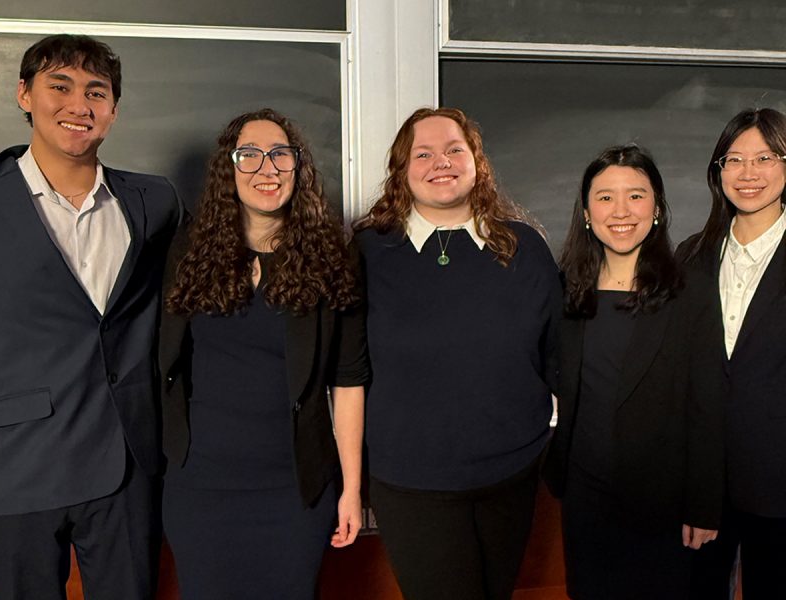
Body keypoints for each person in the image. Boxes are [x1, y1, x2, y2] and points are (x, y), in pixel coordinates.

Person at [0, 34, 181, 600]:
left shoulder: (155, 203)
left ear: (114, 110)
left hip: (128, 464)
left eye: (97, 92)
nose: (80, 105)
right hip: (12, 468)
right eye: (60, 86)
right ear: (24, 94)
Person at [160, 108, 368, 599]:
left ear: (299, 167)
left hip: (293, 491)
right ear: (228, 170)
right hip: (200, 489)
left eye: (280, 155)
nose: (266, 169)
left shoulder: (331, 256)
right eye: (248, 155)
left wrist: (352, 490)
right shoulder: (187, 250)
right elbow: (163, 363)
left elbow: (349, 379)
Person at [354, 107, 560, 600]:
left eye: (453, 150)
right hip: (411, 482)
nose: (440, 162)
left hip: (512, 474)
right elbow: (347, 370)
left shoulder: (524, 247)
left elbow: (558, 358)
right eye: (422, 154)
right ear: (402, 170)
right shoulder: (367, 252)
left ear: (476, 162)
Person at [544, 144, 725, 600]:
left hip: (662, 507)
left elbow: (707, 407)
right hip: (584, 500)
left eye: (636, 195)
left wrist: (704, 507)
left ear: (657, 208)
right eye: (605, 197)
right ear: (586, 212)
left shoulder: (693, 294)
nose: (620, 210)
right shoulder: (565, 292)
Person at [679, 108, 786, 600]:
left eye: (765, 158)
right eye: (734, 159)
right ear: (717, 170)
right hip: (703, 489)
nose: (749, 173)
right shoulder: (690, 257)